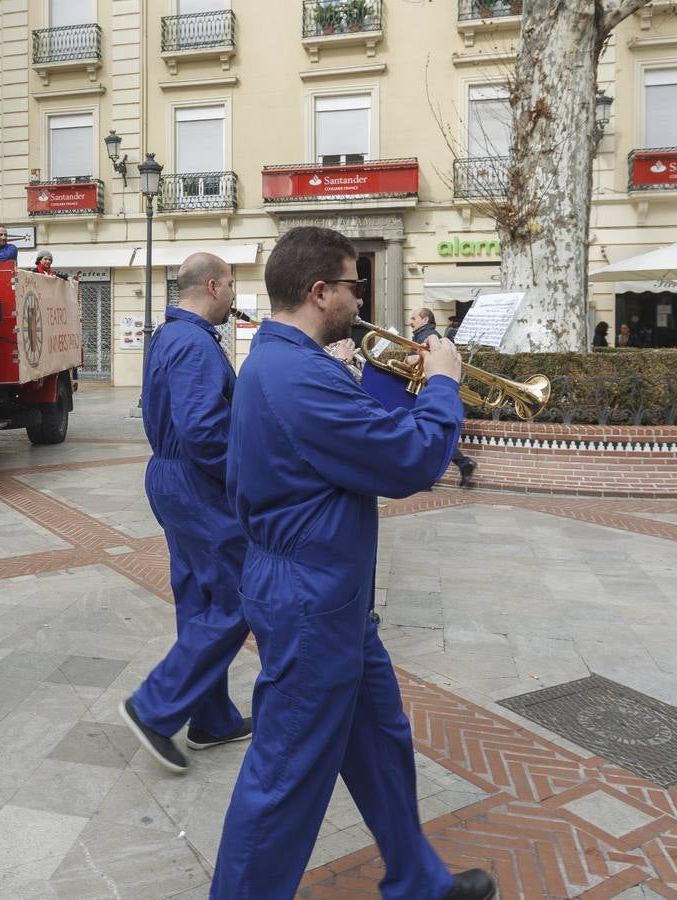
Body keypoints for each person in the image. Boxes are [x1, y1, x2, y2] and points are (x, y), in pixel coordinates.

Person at [211, 226, 494, 900]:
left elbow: (364, 436)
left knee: (380, 742)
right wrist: (444, 384)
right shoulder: (298, 376)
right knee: (285, 774)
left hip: (326, 594)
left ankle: (418, 880)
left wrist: (382, 384)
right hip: (312, 598)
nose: (357, 297)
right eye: (350, 285)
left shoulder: (281, 363)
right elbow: (410, 460)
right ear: (318, 292)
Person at [118, 253, 251, 774]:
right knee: (242, 594)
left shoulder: (171, 336)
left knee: (199, 597)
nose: (235, 296)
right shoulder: (194, 343)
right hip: (196, 480)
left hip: (174, 477)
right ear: (213, 285)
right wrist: (243, 478)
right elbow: (203, 431)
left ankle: (213, 718)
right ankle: (155, 707)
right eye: (233, 285)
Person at [408, 308, 476, 488]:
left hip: (429, 391)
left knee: (427, 432)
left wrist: (413, 360)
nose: (410, 321)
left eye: (413, 318)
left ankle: (461, 463)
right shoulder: (423, 336)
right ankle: (462, 463)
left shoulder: (429, 337)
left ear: (424, 320)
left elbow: (419, 363)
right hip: (431, 390)